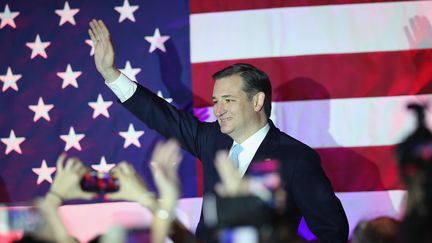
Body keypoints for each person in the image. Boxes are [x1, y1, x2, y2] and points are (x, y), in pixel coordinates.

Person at [88, 19, 349, 242]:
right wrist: (112, 75)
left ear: (257, 101)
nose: (219, 109)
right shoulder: (212, 139)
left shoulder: (295, 158)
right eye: (215, 101)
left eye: (228, 100)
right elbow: (163, 117)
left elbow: (333, 232)